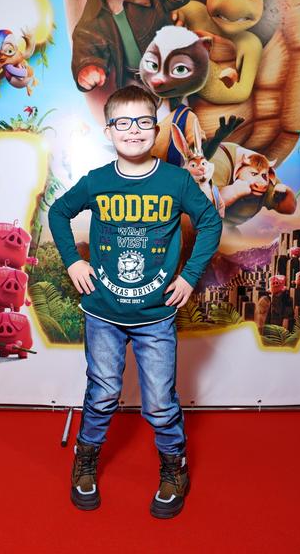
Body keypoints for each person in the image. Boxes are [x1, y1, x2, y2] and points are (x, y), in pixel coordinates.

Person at [48, 85, 222, 519]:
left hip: (155, 316)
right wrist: (73, 261)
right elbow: (58, 213)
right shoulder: (97, 181)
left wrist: (189, 276)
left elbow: (210, 222)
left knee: (160, 402)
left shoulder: (176, 181)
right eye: (122, 122)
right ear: (108, 130)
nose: (133, 130)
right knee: (103, 393)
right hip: (102, 313)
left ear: (156, 129)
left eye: (143, 121)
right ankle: (85, 459)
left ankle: (174, 467)